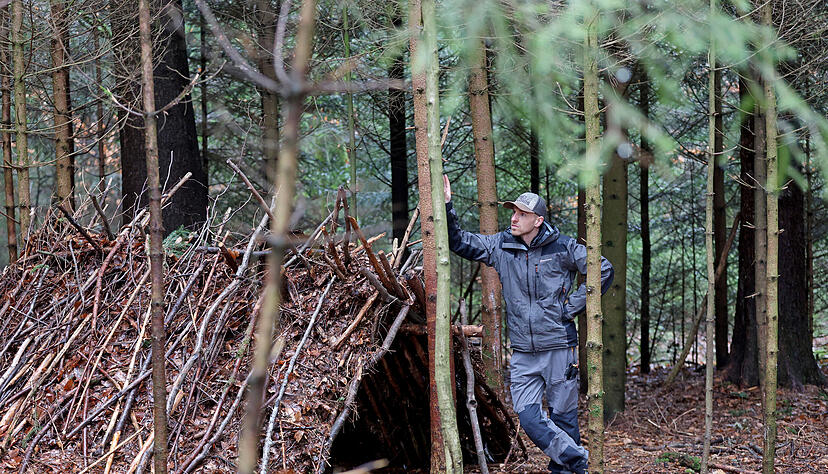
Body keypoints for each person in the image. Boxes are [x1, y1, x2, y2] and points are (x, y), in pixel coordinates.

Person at [443, 175, 613, 474]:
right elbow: (460, 242)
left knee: (564, 419)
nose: (514, 217)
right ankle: (579, 461)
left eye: (522, 214)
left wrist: (570, 308)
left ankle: (566, 470)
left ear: (538, 220)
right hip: (523, 352)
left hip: (559, 346)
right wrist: (446, 205)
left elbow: (603, 269)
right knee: (530, 418)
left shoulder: (563, 247)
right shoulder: (501, 246)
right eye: (513, 212)